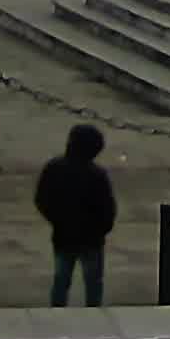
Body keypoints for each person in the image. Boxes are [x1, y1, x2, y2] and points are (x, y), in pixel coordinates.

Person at [33, 122, 115, 307]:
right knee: (93, 283)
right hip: (92, 239)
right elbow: (108, 208)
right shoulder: (97, 175)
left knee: (61, 281)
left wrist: (57, 221)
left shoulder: (54, 168)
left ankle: (57, 313)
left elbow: (41, 199)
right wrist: (101, 230)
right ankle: (94, 317)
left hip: (63, 235)